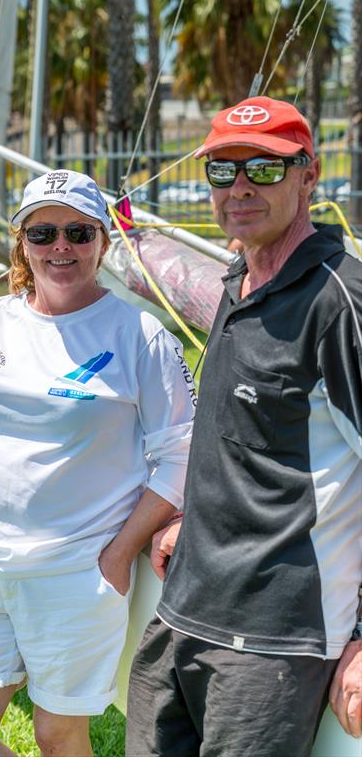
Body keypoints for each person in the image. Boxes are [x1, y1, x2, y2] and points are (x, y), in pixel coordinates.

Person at [0, 168, 197, 757]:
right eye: (43, 233)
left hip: (78, 571)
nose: (61, 247)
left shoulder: (140, 335)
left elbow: (181, 454)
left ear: (102, 240)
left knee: (58, 735)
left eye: (77, 231)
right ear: (22, 242)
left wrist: (119, 553)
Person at [126, 96, 362, 757]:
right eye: (221, 170)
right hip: (180, 614)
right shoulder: (239, 281)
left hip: (271, 645)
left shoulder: (339, 303)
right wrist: (189, 522)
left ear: (307, 175)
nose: (238, 188)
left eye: (263, 169)